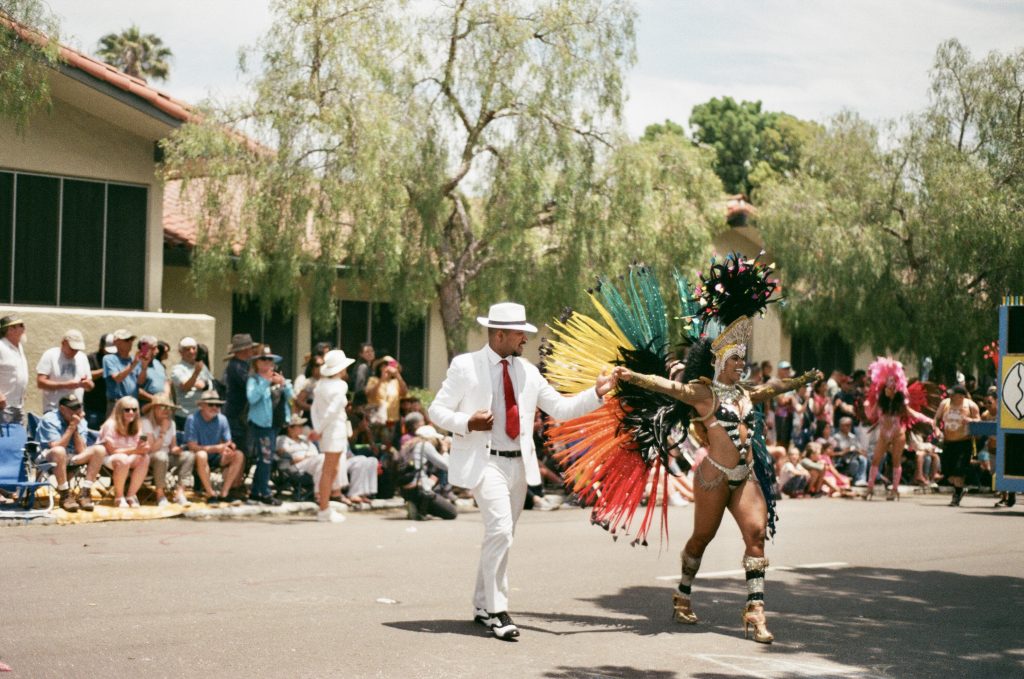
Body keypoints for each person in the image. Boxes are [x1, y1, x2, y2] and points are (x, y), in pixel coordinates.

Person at [429, 302, 613, 641]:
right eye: (519, 334)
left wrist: (596, 393)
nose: (525, 339)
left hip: (519, 463)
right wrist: (466, 422)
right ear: (500, 334)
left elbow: (560, 407)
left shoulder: (527, 371)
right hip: (485, 462)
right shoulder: (465, 366)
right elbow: (436, 410)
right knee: (500, 530)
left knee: (502, 535)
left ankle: (483, 605)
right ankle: (499, 612)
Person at [863, 358, 933, 501]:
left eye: (893, 388)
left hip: (898, 434)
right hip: (883, 435)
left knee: (896, 462)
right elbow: (871, 415)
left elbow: (913, 413)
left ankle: (894, 490)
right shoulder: (880, 402)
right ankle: (869, 488)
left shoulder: (900, 404)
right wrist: (865, 407)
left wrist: (929, 420)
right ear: (884, 388)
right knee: (875, 460)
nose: (890, 390)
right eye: (888, 388)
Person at [34, 394, 105, 512]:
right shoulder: (50, 419)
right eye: (73, 408)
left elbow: (82, 450)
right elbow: (56, 446)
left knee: (99, 450)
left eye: (78, 407)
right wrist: (71, 427)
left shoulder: (81, 421)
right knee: (60, 451)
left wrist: (76, 428)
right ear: (62, 408)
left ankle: (85, 493)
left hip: (71, 456)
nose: (77, 411)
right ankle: (64, 494)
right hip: (50, 456)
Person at [311, 349, 356, 523]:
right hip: (334, 430)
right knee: (329, 470)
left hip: (328, 431)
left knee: (332, 469)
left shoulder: (320, 385)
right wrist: (319, 430)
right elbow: (332, 411)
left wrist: (318, 429)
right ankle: (324, 509)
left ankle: (326, 506)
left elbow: (315, 410)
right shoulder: (340, 386)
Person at [246, 345, 293, 505]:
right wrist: (265, 382)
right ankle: (264, 492)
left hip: (276, 423)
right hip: (261, 425)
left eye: (270, 360)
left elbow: (292, 397)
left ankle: (255, 492)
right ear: (256, 362)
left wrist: (284, 383)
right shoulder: (254, 380)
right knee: (266, 458)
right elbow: (252, 398)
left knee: (265, 458)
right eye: (263, 359)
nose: (267, 362)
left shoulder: (278, 377)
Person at [186, 390, 245, 504]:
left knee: (238, 455)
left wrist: (229, 449)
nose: (215, 407)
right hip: (198, 457)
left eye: (218, 405)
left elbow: (228, 442)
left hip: (217, 456)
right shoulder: (192, 419)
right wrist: (216, 448)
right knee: (202, 455)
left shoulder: (222, 419)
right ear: (201, 405)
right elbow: (192, 447)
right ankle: (211, 494)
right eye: (211, 404)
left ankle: (224, 493)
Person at [141, 394, 194, 507]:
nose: (167, 410)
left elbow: (173, 447)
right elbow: (151, 449)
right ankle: (160, 495)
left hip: (167, 456)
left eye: (169, 408)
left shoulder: (172, 423)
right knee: (161, 456)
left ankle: (180, 494)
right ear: (154, 408)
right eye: (163, 407)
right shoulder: (146, 422)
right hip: (149, 458)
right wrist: (163, 432)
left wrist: (179, 449)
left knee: (189, 455)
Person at [396, 424, 457, 520]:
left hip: (405, 490)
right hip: (421, 490)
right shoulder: (425, 445)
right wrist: (445, 450)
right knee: (452, 512)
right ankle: (421, 509)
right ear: (431, 437)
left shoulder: (409, 445)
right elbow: (446, 466)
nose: (438, 442)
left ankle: (415, 505)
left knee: (432, 476)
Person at [934, 384, 981, 507]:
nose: (950, 396)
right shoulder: (945, 403)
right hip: (948, 442)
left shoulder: (970, 405)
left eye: (953, 394)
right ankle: (960, 490)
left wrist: (971, 421)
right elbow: (936, 419)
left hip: (964, 442)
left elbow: (979, 420)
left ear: (961, 396)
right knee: (948, 473)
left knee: (959, 470)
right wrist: (937, 431)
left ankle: (956, 495)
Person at [99, 396, 150, 508]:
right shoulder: (110, 425)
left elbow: (139, 446)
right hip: (109, 458)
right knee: (122, 459)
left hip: (129, 457)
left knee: (145, 458)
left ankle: (131, 496)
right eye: (127, 409)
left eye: (134, 409)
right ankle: (119, 497)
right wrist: (135, 450)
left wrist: (144, 447)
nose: (131, 412)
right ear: (119, 410)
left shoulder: (137, 425)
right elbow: (112, 451)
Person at [222, 333, 259, 463]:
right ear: (244, 350)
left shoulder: (243, 365)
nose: (252, 351)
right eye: (250, 348)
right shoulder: (236, 366)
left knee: (244, 447)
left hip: (241, 414)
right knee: (238, 447)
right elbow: (248, 384)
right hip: (236, 415)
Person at [35, 329, 93, 413]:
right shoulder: (50, 355)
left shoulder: (82, 357)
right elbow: (40, 383)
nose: (74, 352)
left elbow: (90, 385)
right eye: (72, 348)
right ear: (63, 343)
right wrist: (64, 385)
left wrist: (87, 384)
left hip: (76, 410)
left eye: (77, 350)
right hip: (54, 410)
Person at [102, 329, 149, 416]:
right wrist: (133, 364)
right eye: (127, 340)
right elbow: (117, 378)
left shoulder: (134, 360)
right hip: (117, 404)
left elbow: (140, 382)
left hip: (133, 404)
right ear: (116, 342)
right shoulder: (109, 359)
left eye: (131, 340)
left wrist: (144, 367)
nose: (130, 343)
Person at [170, 337, 214, 430]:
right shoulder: (177, 369)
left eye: (194, 348)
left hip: (202, 414)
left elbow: (211, 384)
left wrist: (204, 385)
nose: (191, 351)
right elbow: (186, 387)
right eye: (187, 349)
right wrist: (196, 374)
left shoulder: (202, 366)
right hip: (185, 415)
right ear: (180, 352)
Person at [0, 315, 29, 425]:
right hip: (3, 407)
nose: (24, 329)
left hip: (18, 405)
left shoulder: (19, 347)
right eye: (21, 326)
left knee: (17, 440)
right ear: (10, 329)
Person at [84, 334, 114, 429]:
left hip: (109, 406)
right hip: (93, 407)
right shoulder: (92, 358)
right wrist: (105, 370)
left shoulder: (115, 359)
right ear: (101, 347)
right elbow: (87, 375)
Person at [830, 417, 869, 486]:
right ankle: (854, 480)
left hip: (854, 456)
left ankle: (861, 479)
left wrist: (858, 451)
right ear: (841, 426)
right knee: (855, 463)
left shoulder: (853, 437)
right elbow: (832, 452)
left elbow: (860, 448)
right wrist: (845, 451)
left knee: (863, 459)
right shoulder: (836, 437)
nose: (849, 427)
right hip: (842, 460)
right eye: (846, 425)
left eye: (850, 425)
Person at [139, 335, 171, 405]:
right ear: (145, 349)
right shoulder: (136, 365)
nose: (157, 351)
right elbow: (135, 389)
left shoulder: (158, 364)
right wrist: (153, 399)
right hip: (146, 407)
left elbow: (165, 381)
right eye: (154, 348)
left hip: (161, 406)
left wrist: (166, 395)